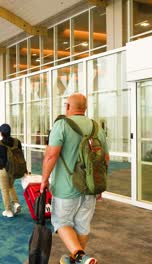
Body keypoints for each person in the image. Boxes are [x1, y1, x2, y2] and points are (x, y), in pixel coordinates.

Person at [40, 93, 109, 264]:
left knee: (61, 221)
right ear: (85, 108)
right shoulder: (96, 127)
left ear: (68, 107)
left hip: (66, 188)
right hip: (90, 188)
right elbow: (105, 159)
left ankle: (79, 255)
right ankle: (77, 260)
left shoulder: (61, 125)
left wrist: (44, 180)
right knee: (82, 225)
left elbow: (51, 155)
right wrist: (98, 185)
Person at [0, 124, 22, 218]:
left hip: (3, 169)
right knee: (11, 186)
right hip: (14, 169)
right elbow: (21, 155)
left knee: (4, 189)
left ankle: (8, 210)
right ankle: (16, 203)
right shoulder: (17, 142)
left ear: (2, 133)